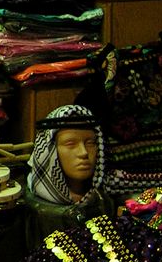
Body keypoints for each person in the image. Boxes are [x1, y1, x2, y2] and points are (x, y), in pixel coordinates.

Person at [26, 103, 113, 246]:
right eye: (70, 144)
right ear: (51, 151)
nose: (84, 152)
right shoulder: (35, 211)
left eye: (90, 143)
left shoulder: (103, 201)